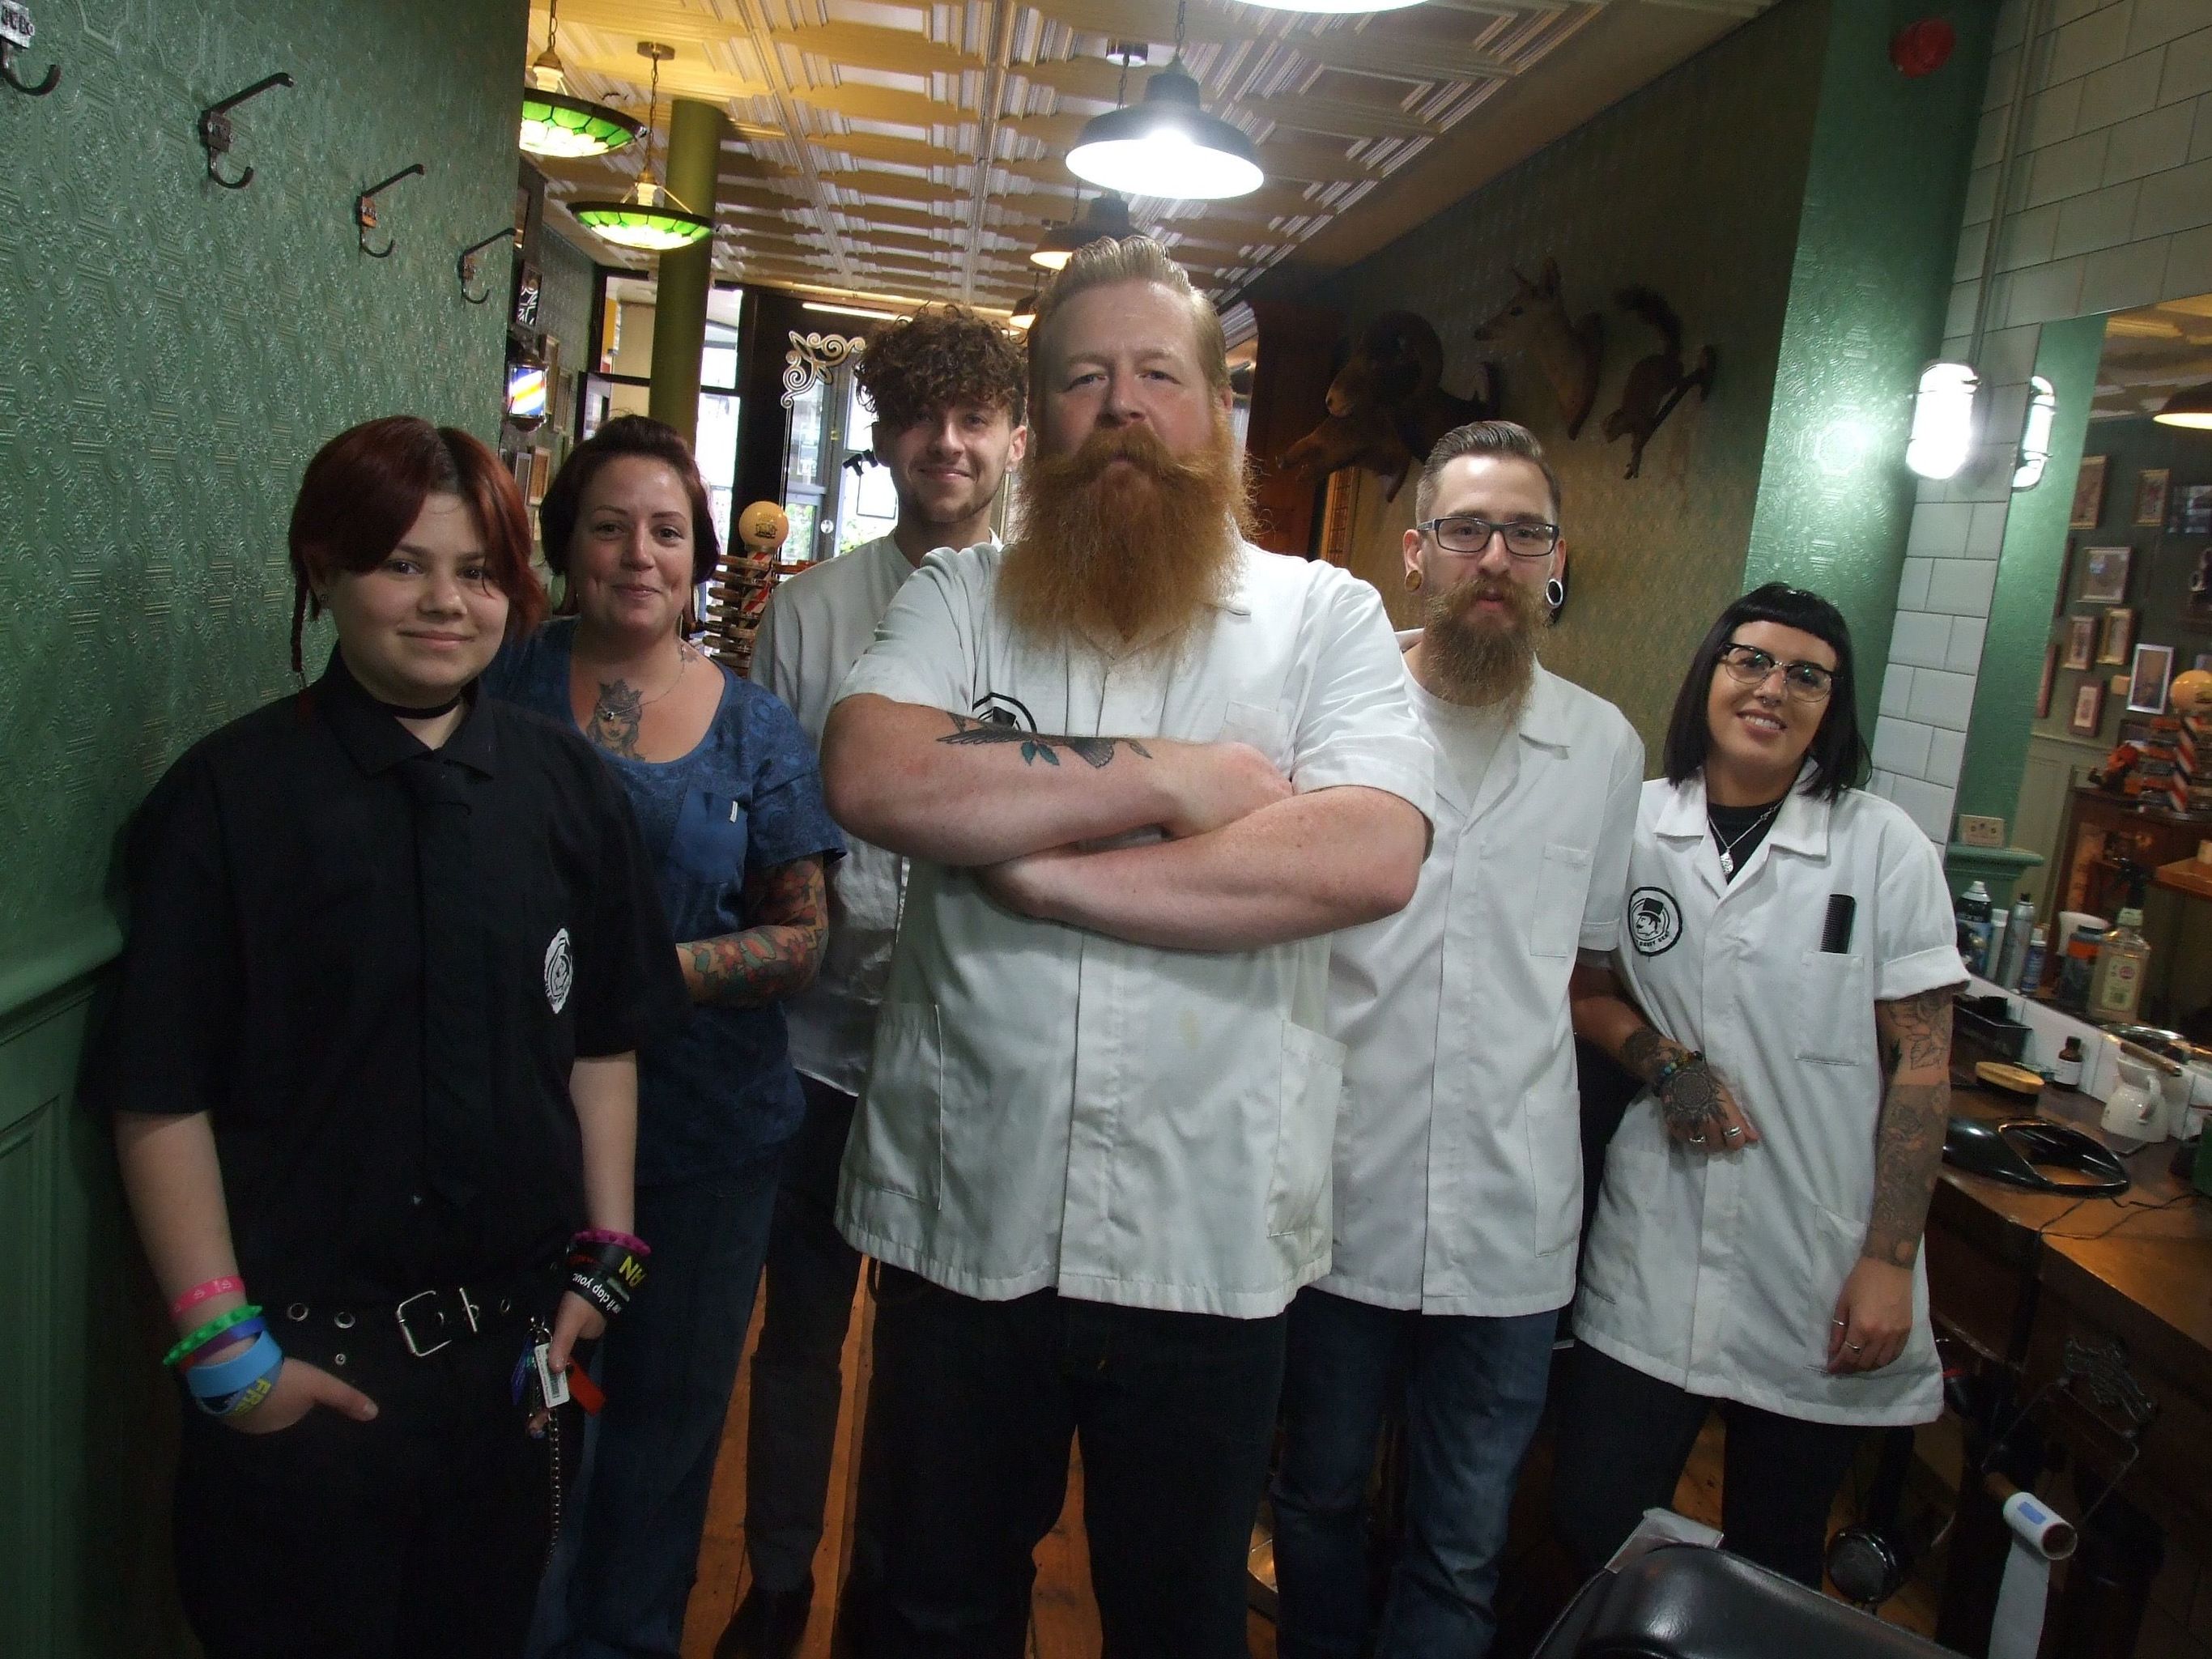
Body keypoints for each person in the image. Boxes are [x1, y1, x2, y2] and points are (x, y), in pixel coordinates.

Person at [818, 235, 1435, 1657]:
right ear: (1038, 422)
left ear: (1217, 413)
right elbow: (876, 769)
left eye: (1159, 374)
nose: (1122, 408)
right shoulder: (960, 598)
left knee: (1178, 1622)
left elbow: (1367, 850)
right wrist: (1172, 778)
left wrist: (1044, 874)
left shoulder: (1322, 618)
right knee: (930, 1611)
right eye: (1084, 377)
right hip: (964, 1219)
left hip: (1206, 1236)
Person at [83, 415, 690, 1658]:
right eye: (402, 564)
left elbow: (603, 1042)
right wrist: (226, 1351)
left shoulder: (569, 789)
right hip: (307, 1372)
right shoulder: (228, 798)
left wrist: (606, 1256)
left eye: (477, 572)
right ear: (323, 569)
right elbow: (159, 1089)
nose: (445, 603)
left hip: (510, 1371)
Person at [1270, 421, 1643, 1658]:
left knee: (1464, 1540)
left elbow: (1585, 964)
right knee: (1316, 1497)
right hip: (1338, 1191)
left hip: (1507, 1217)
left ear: (1556, 562)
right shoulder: (1332, 715)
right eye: (1468, 530)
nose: (1495, 557)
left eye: (1524, 534)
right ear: (1415, 551)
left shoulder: (1603, 747)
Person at [486, 415, 844, 1659]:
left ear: (697, 557)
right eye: (609, 527)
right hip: (517, 1134)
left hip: (707, 1145)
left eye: (667, 531)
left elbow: (802, 938)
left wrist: (632, 977)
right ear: (564, 546)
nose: (639, 554)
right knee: (523, 1431)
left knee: (663, 1438)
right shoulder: (498, 683)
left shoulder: (757, 728)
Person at [723, 304, 1027, 1659]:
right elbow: (763, 818)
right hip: (810, 1047)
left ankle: (895, 1598)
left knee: (936, 1361)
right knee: (797, 1339)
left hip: (972, 1054)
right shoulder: (811, 611)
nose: (945, 443)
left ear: (1014, 436)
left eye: (974, 418)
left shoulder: (1048, 613)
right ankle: (778, 1580)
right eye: (918, 417)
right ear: (883, 434)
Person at [1554, 583, 1963, 1588]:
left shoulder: (1882, 847)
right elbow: (1581, 987)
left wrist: (1886, 1261)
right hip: (1654, 1243)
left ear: (1832, 705)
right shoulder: (1634, 822)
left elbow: (1923, 1062)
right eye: (1749, 661)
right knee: (1595, 1522)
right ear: (1708, 675)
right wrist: (1665, 1064)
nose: (1771, 689)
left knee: (1773, 1558)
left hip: (1811, 1255)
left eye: (1805, 676)